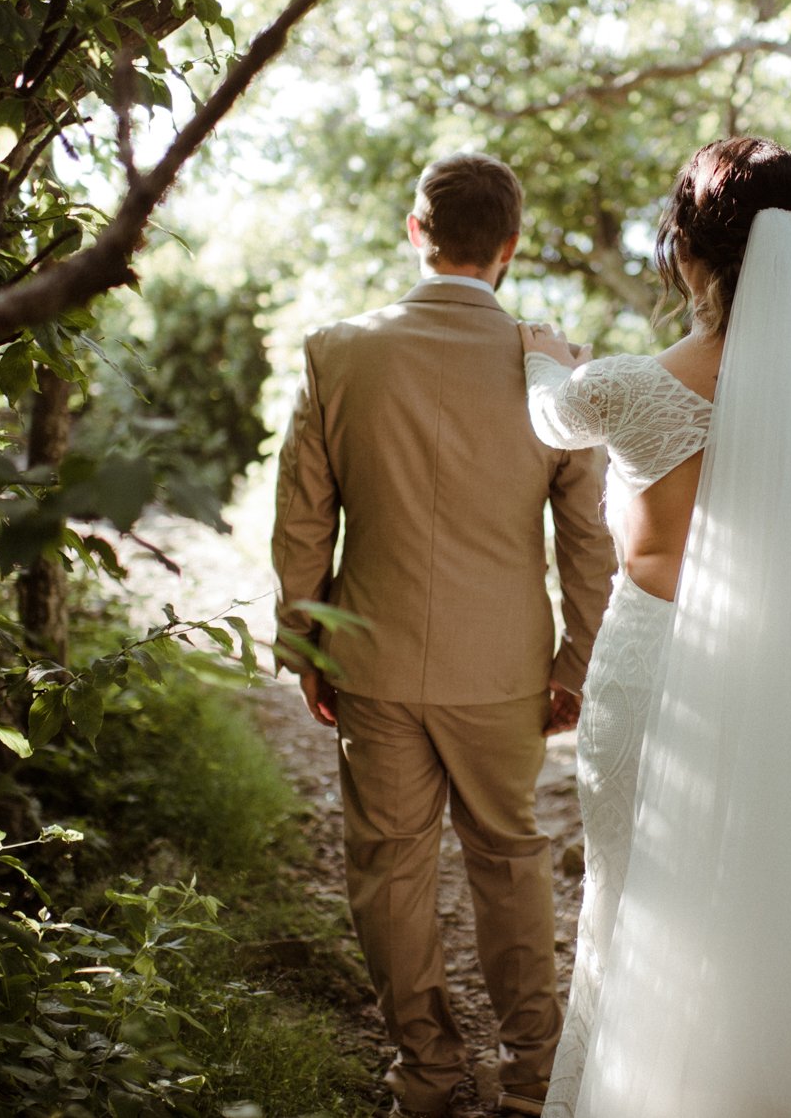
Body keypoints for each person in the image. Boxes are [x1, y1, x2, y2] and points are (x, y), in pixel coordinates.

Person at [520, 137, 791, 1118]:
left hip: (646, 673)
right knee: (770, 917)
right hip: (780, 684)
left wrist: (539, 355)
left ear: (684, 251)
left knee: (631, 907)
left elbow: (545, 416)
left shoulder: (623, 387)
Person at [272, 152, 618, 1118]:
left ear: (415, 231)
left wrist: (304, 640)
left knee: (388, 865)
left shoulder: (339, 350)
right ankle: (535, 1075)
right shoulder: (548, 361)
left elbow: (304, 515)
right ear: (508, 247)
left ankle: (424, 1072)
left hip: (370, 660)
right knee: (512, 858)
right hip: (506, 666)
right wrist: (577, 660)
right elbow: (586, 535)